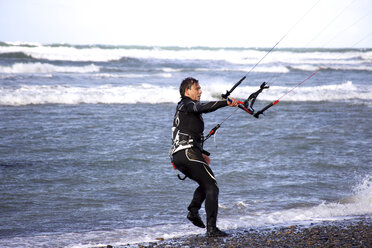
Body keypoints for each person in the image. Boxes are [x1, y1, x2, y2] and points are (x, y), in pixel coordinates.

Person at [169, 77, 238, 237]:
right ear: (187, 91)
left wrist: (200, 153)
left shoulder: (182, 109)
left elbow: (186, 133)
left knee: (205, 183)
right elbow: (202, 107)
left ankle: (193, 211)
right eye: (197, 89)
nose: (200, 92)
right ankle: (211, 229)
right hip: (187, 153)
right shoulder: (187, 104)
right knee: (212, 186)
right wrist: (225, 102)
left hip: (180, 155)